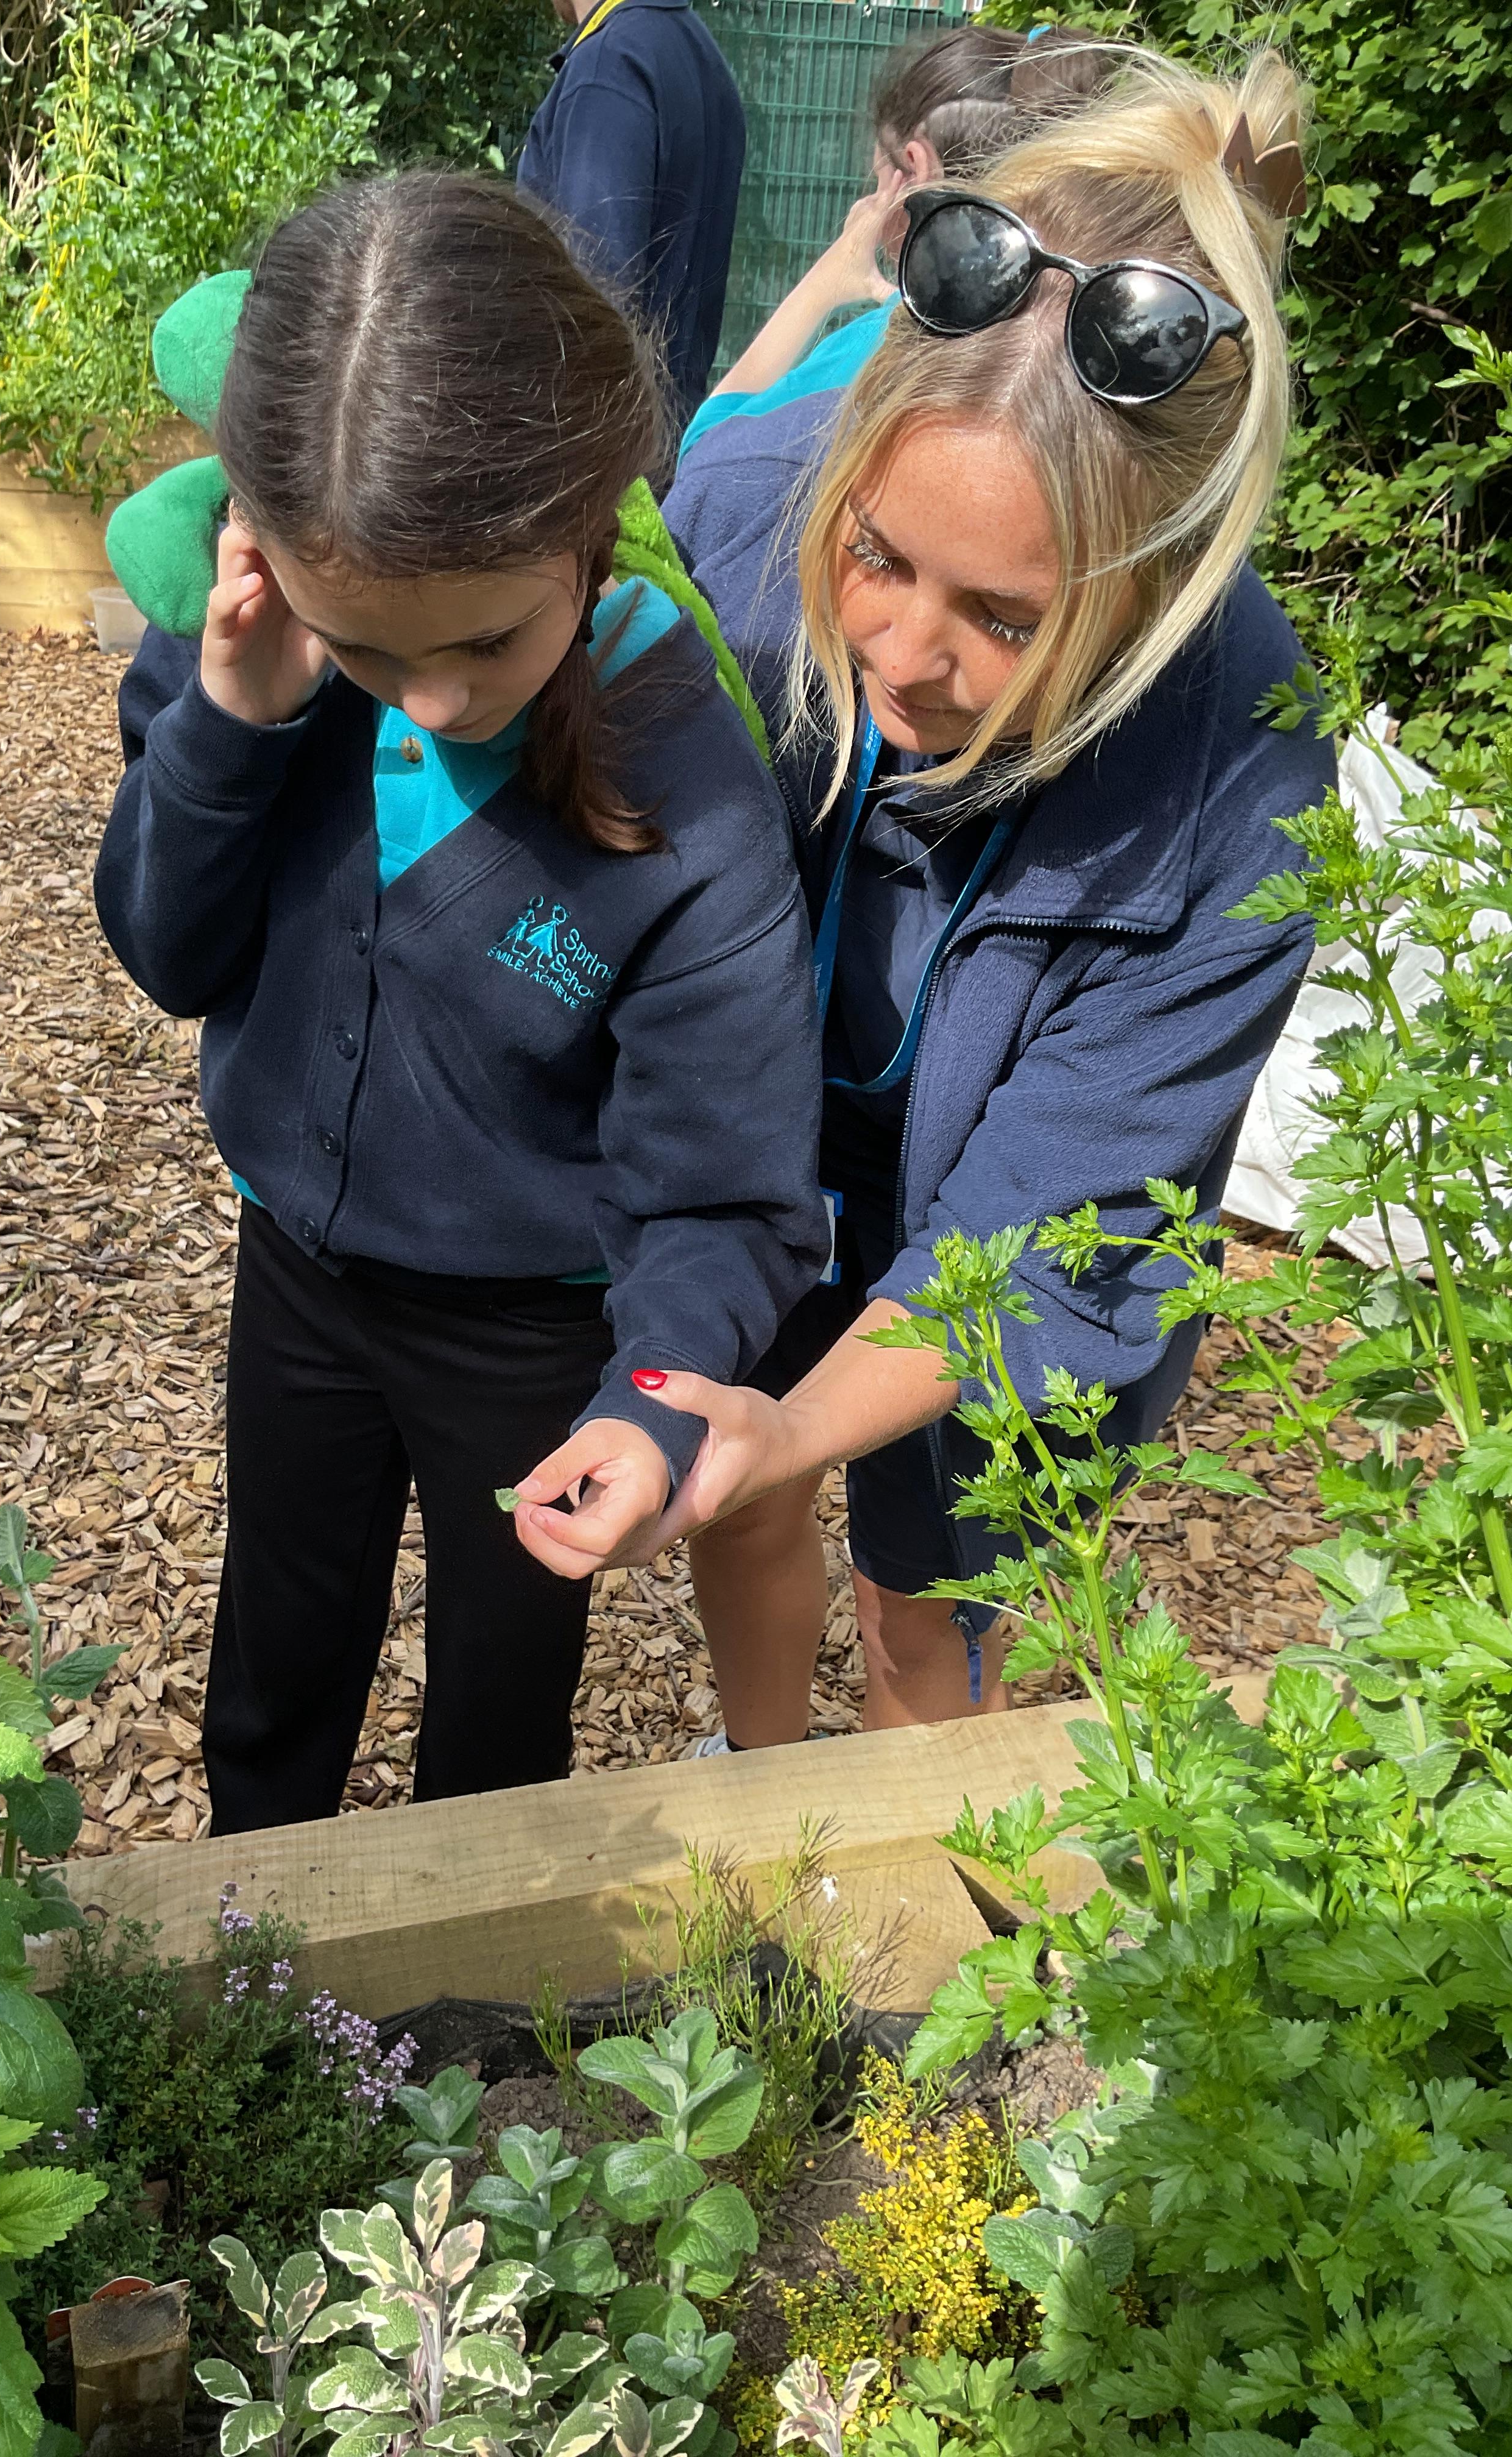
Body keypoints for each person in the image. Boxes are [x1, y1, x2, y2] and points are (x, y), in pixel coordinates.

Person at [508, 54, 1334, 1749]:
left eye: (1009, 620)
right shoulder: (743, 508)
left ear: (1159, 590)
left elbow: (1038, 1229)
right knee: (734, 1497)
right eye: (877, 556)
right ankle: (761, 1789)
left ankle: (907, 1879)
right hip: (760, 1152)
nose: (900, 653)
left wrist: (799, 1426)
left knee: (930, 1611)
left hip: (1001, 1221)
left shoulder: (1242, 770)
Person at [94, 172, 827, 1832]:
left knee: (502, 1693)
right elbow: (169, 954)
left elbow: (726, 1184)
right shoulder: (255, 637)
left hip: (529, 1324)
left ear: (588, 523)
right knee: (277, 1647)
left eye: (487, 644)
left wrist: (653, 1391)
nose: (429, 702)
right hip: (298, 1266)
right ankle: (250, 1909)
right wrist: (233, 722)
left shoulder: (683, 779)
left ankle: (472, 1961)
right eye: (367, 653)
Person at [679, 21, 1109, 462]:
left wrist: (821, 286)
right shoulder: (1090, 343)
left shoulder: (886, 347)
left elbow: (707, 459)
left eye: (879, 174)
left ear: (916, 170)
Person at [518, 0, 746, 428]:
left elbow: (594, 313)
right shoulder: (694, 48)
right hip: (666, 431)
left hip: (601, 444)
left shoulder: (607, 69)